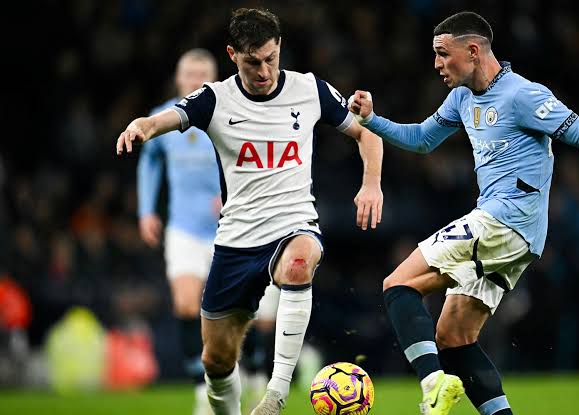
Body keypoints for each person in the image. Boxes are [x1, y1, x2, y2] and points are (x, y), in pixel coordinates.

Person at [348, 11, 579, 415]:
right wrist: (370, 119)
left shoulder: (522, 95)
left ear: (473, 51)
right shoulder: (461, 97)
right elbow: (421, 139)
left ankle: (433, 384)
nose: (436, 64)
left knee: (397, 285)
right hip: (512, 234)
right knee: (454, 337)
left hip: (504, 221)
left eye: (442, 54)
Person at [117, 8, 384, 415]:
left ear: (280, 49)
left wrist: (370, 184)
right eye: (252, 62)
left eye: (271, 58)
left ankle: (274, 396)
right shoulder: (215, 99)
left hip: (293, 224)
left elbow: (368, 134)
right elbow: (166, 119)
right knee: (216, 360)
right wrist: (142, 126)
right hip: (236, 240)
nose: (264, 71)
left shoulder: (309, 90)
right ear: (232, 55)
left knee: (299, 263)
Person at [136, 48, 220, 415]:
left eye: (204, 73)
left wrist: (230, 193)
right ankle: (203, 388)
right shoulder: (164, 118)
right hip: (183, 227)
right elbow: (149, 161)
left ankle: (244, 372)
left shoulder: (226, 112)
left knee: (229, 313)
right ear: (178, 78)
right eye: (190, 73)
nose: (196, 79)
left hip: (228, 228)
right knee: (186, 304)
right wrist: (146, 211)